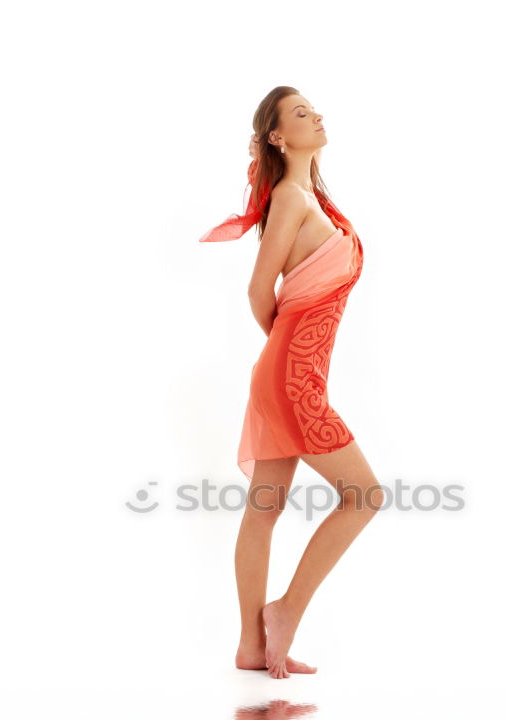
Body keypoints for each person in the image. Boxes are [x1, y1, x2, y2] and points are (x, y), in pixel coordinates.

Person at [200, 86, 384, 679]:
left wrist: (285, 362)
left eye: (314, 108)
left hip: (290, 374)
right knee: (365, 495)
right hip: (294, 379)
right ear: (278, 136)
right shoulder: (289, 197)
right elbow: (260, 291)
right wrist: (286, 360)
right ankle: (283, 613)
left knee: (265, 509)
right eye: (301, 113)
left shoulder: (313, 201)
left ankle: (252, 647)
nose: (317, 115)